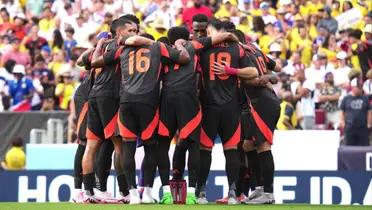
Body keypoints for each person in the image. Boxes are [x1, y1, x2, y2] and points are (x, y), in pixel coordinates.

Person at [91, 29, 190, 204]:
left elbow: (95, 61)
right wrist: (180, 44)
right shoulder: (158, 47)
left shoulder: (122, 50)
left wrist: (99, 43)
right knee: (151, 148)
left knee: (127, 148)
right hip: (149, 103)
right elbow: (184, 58)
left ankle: (133, 194)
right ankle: (149, 193)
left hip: (126, 102)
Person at [157, 26, 239, 205]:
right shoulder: (194, 45)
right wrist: (237, 41)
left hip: (167, 97)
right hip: (188, 98)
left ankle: (166, 192)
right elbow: (223, 35)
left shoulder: (161, 49)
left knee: (163, 144)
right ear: (186, 38)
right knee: (194, 144)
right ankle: (193, 193)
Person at [196, 19, 258, 205]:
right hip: (231, 107)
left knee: (205, 149)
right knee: (231, 150)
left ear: (218, 31)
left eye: (209, 30)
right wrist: (231, 70)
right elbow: (253, 72)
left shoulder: (203, 47)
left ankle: (201, 192)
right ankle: (232, 192)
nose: (206, 33)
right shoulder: (237, 49)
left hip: (208, 106)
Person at [214, 39, 281, 205]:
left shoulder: (242, 54)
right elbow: (277, 71)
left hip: (262, 103)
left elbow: (253, 79)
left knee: (263, 146)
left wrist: (231, 71)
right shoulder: (255, 50)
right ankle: (258, 188)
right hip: (260, 102)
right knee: (248, 146)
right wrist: (267, 76)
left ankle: (268, 193)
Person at [79, 18, 138, 204]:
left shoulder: (102, 45)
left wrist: (98, 44)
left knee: (91, 146)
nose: (134, 34)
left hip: (94, 96)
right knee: (119, 146)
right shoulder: (122, 44)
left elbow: (81, 61)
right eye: (131, 30)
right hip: (111, 97)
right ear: (120, 33)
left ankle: (88, 192)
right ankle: (124, 192)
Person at [341, 78, 372, 146]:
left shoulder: (365, 98)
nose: (361, 89)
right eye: (359, 87)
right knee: (349, 149)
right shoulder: (346, 98)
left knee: (364, 149)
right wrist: (343, 124)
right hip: (350, 128)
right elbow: (342, 112)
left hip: (363, 128)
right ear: (353, 87)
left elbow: (369, 112)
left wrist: (369, 124)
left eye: (361, 87)